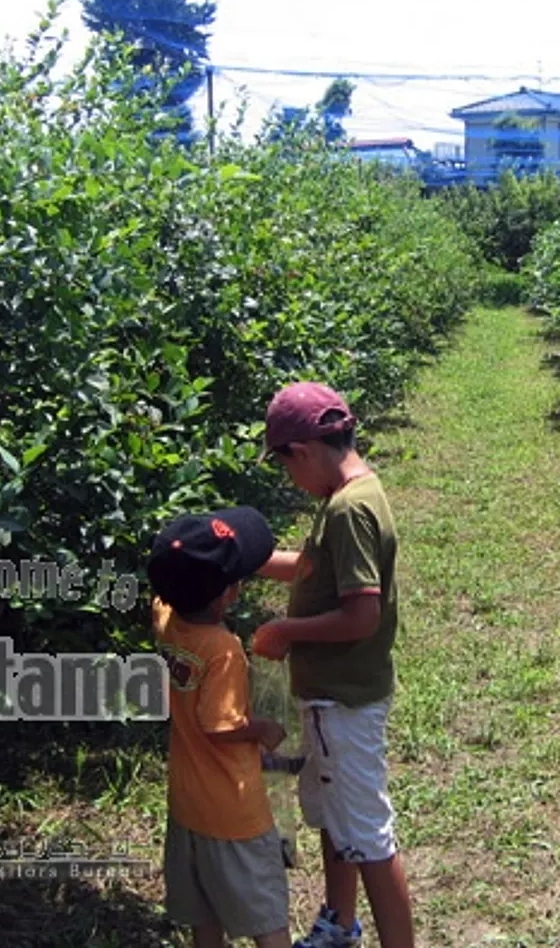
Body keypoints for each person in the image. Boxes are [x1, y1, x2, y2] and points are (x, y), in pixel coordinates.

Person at [250, 381, 416, 948]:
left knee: (367, 835)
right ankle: (338, 923)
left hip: (341, 703)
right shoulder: (350, 494)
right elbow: (316, 570)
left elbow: (361, 616)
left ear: (301, 452)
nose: (290, 482)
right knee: (334, 820)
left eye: (285, 468)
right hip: (332, 698)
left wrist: (284, 631)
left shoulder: (348, 510)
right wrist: (247, 559)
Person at [148, 507, 292, 948]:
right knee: (267, 921)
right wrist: (262, 729)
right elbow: (220, 724)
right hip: (234, 813)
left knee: (204, 917)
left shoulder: (167, 620)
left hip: (188, 806)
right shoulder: (223, 650)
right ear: (226, 596)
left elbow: (160, 599)